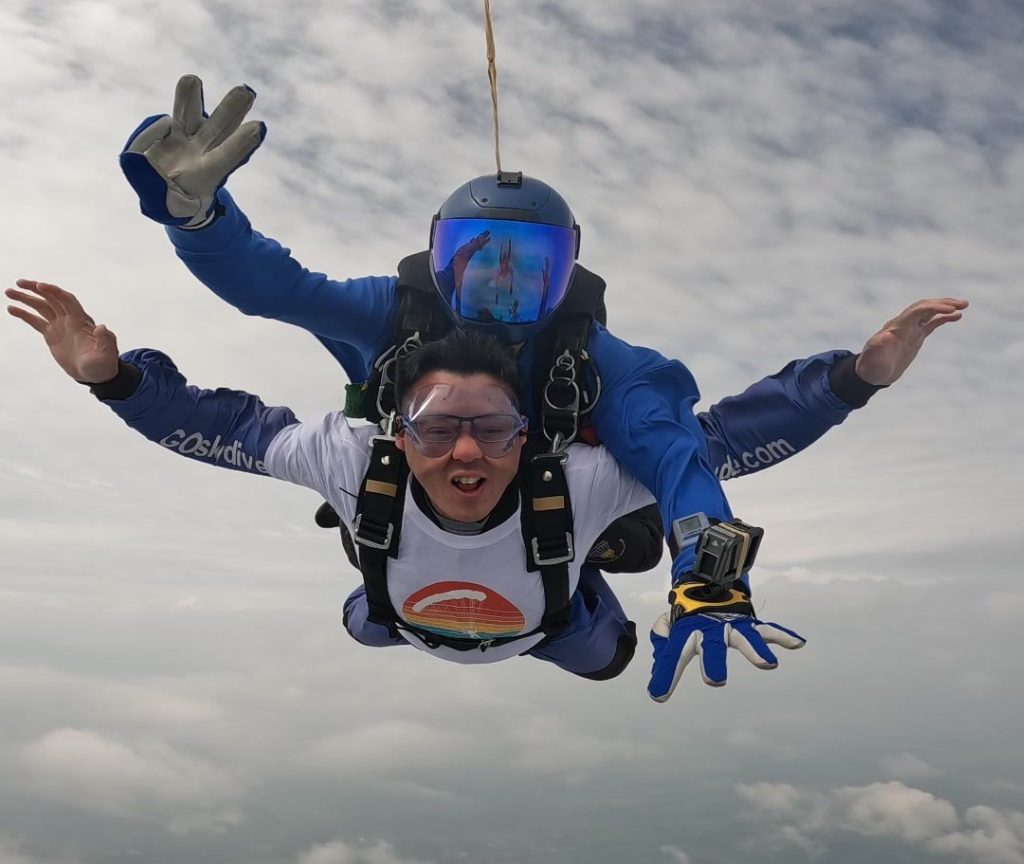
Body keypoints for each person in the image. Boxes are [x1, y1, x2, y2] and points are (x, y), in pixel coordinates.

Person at [117, 76, 968, 696]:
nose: (500, 290)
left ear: (568, 276)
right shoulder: (394, 318)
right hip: (414, 535)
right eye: (476, 260)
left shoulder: (601, 365)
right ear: (439, 258)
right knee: (377, 614)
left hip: (555, 544)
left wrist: (710, 568)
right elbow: (276, 287)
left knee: (604, 654)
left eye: (532, 269)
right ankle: (413, 581)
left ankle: (567, 572)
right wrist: (199, 220)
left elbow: (685, 459)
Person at [6, 279, 807, 690]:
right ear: (395, 431)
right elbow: (224, 430)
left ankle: (593, 557)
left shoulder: (575, 479)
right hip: (406, 614)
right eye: (434, 428)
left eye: (494, 428)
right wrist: (112, 380)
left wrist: (848, 380)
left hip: (551, 621)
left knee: (611, 659)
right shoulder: (355, 461)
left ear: (528, 436)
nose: (466, 451)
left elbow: (715, 444)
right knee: (365, 621)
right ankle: (552, 565)